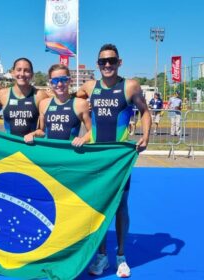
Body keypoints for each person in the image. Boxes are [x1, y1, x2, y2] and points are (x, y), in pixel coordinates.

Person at [76, 43, 151, 278]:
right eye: (102, 62)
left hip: (118, 158)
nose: (107, 65)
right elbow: (77, 98)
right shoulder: (90, 86)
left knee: (120, 206)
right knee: (97, 207)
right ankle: (100, 257)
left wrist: (146, 136)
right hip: (97, 157)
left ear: (119, 62)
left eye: (111, 60)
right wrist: (87, 129)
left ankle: (120, 256)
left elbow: (145, 111)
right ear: (98, 65)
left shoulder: (129, 86)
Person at [24, 63, 91, 147]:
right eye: (55, 80)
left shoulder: (81, 104)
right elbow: (42, 131)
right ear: (51, 83)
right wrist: (32, 134)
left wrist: (83, 139)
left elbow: (92, 131)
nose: (59, 84)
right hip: (49, 152)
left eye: (63, 79)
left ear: (70, 80)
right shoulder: (44, 104)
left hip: (70, 153)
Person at [0, 58, 49, 136]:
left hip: (31, 145)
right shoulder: (3, 94)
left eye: (26, 70)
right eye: (19, 70)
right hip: (9, 145)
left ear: (32, 74)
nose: (22, 74)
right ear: (12, 72)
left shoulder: (40, 95)